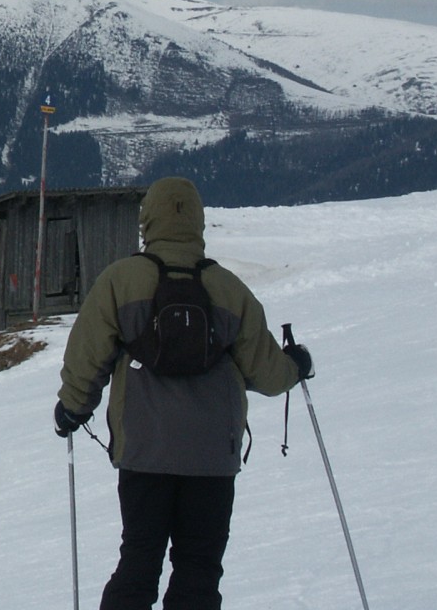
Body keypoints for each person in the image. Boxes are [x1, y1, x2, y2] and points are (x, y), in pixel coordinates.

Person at [54, 176, 313, 610]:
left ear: (148, 219)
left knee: (139, 560)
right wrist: (297, 365)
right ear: (198, 222)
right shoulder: (229, 290)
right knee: (199, 569)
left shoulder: (121, 281)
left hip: (144, 451)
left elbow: (87, 355)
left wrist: (72, 409)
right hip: (212, 457)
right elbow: (268, 374)